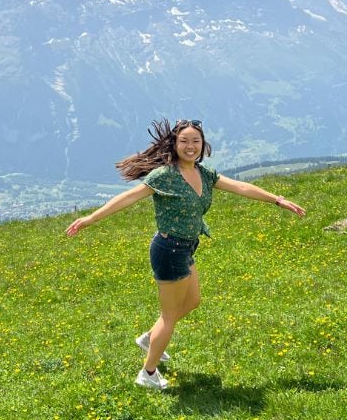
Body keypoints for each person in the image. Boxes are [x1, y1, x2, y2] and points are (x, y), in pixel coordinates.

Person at [66, 119, 306, 390]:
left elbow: (241, 187)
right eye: (184, 142)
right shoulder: (165, 176)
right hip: (169, 250)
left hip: (188, 246)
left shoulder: (205, 174)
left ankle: (150, 339)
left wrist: (277, 199)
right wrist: (91, 219)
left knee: (192, 301)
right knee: (169, 317)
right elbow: (129, 198)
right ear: (175, 144)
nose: (190, 147)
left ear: (203, 145)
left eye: (195, 141)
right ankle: (148, 373)